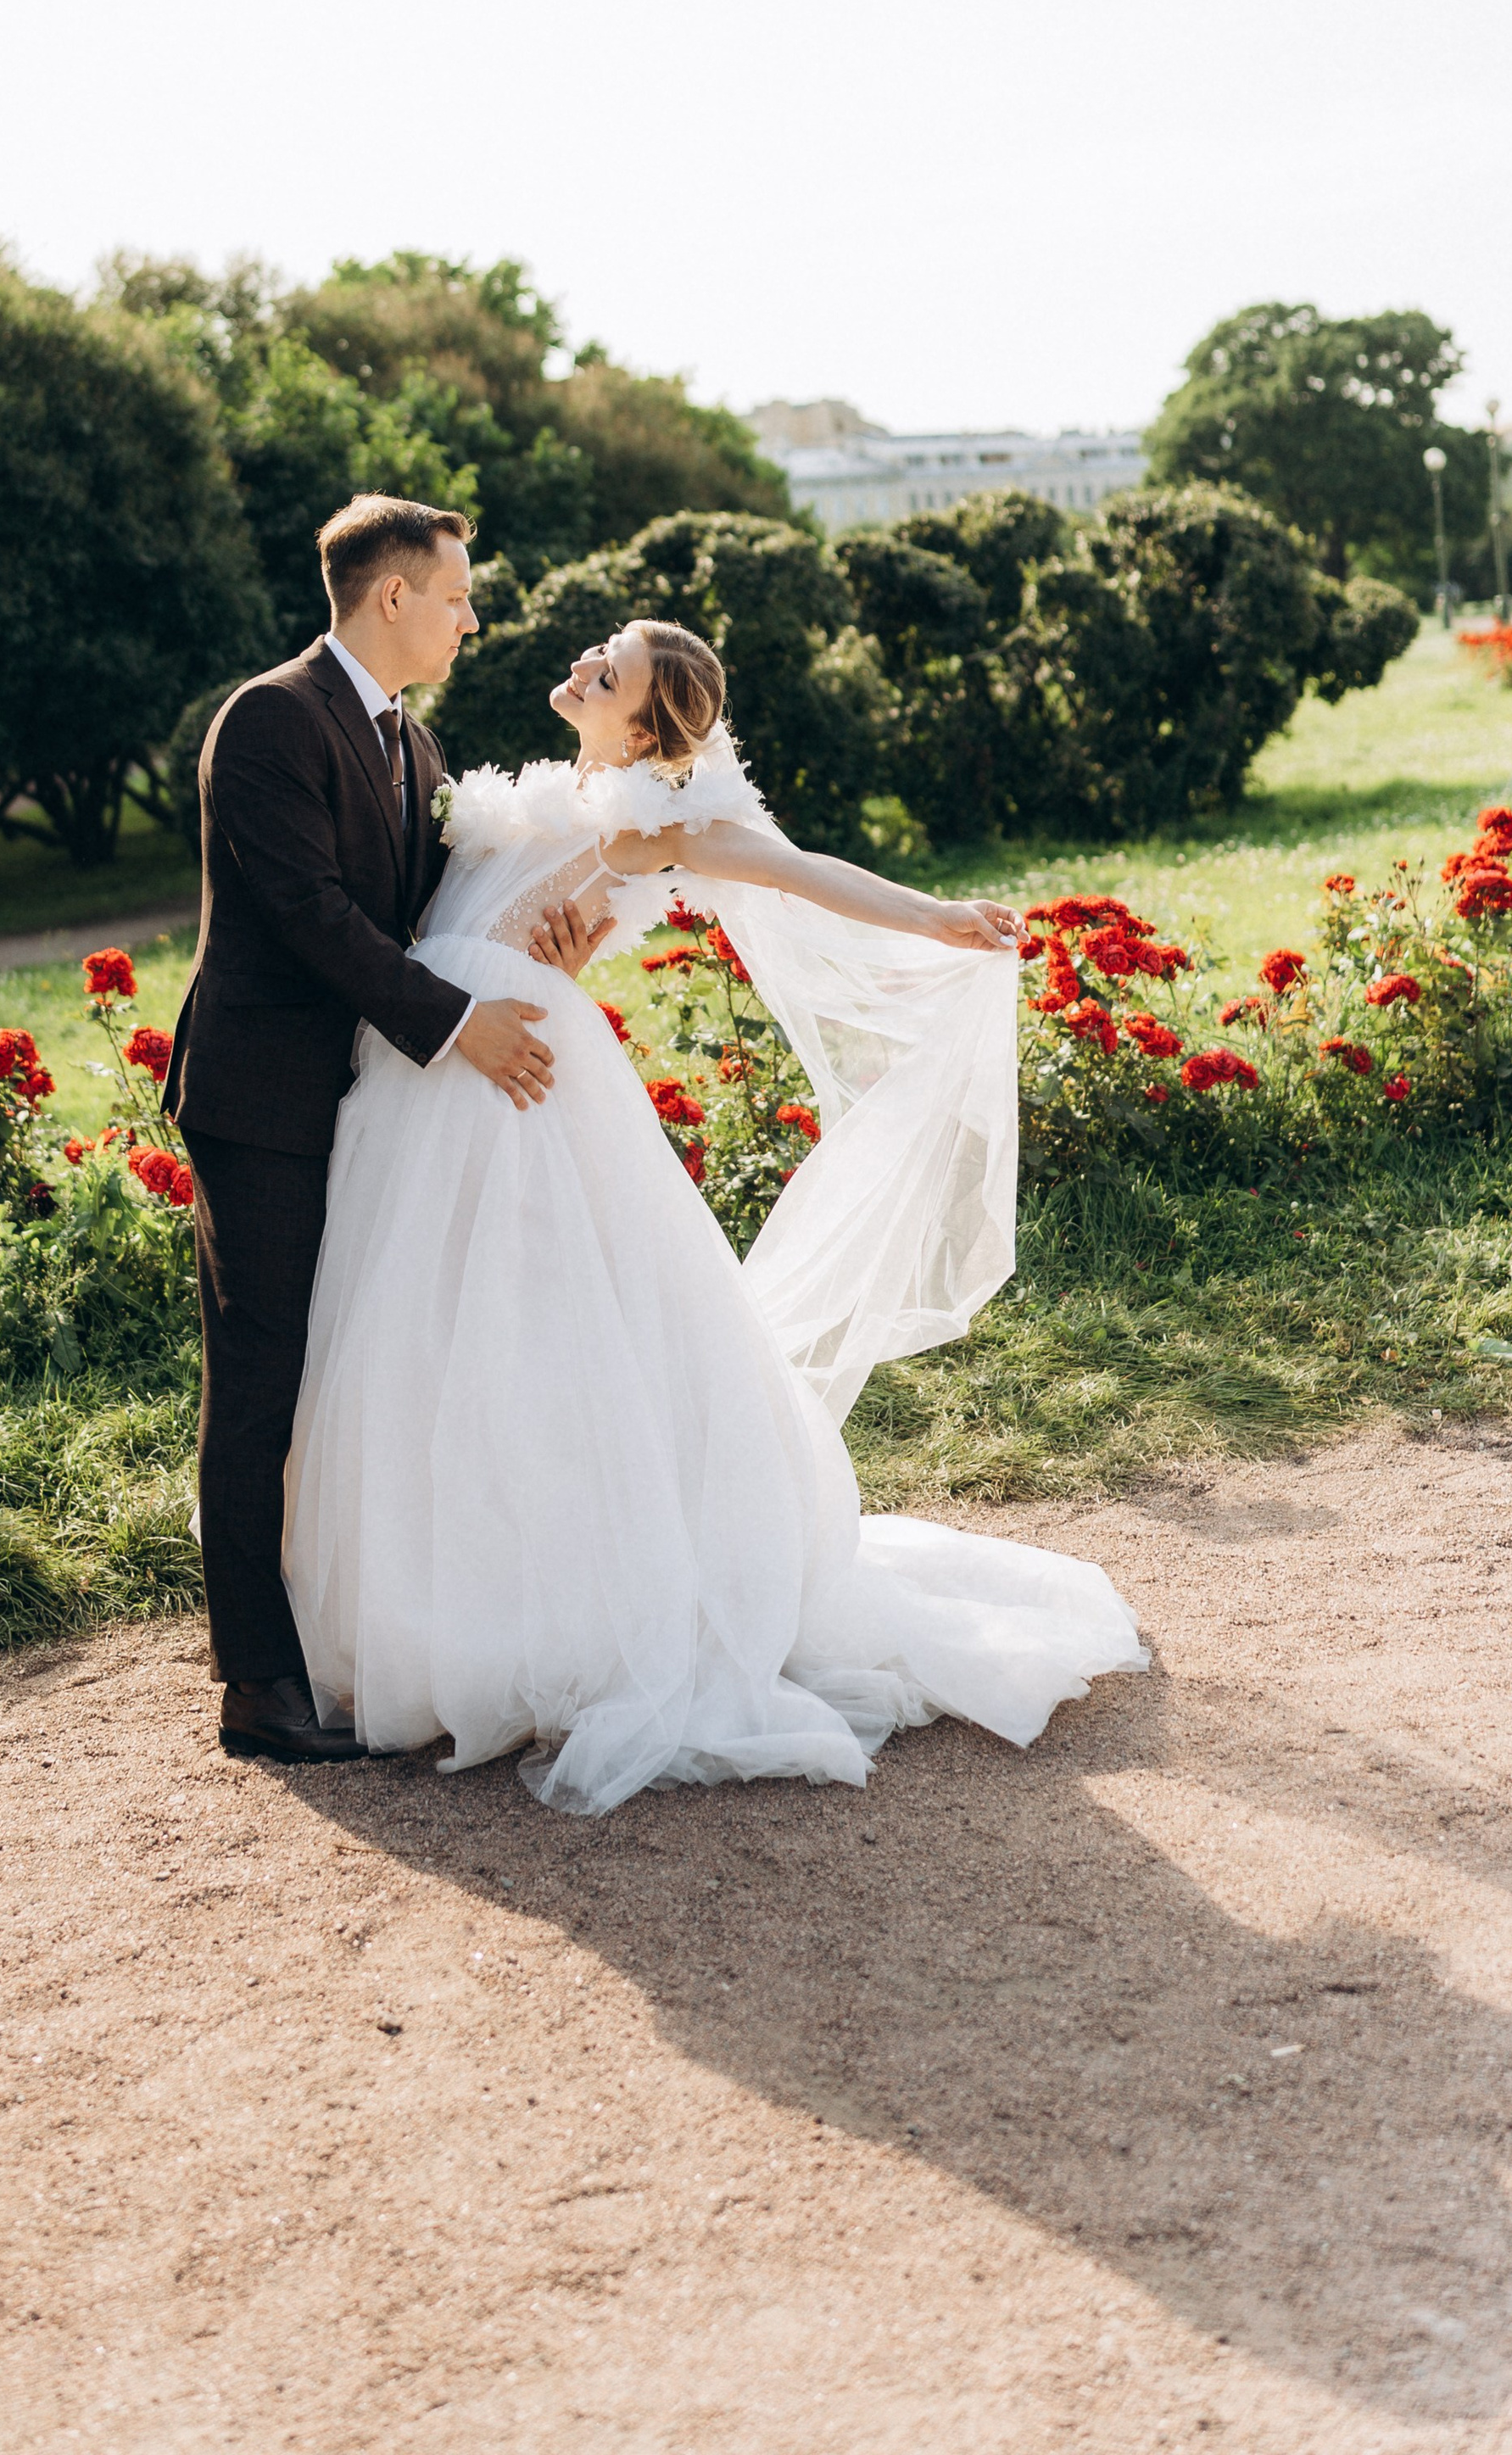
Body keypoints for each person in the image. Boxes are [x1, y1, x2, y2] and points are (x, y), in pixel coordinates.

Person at [282, 616, 1147, 1814]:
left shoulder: (656, 821)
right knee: (432, 1341)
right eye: (601, 646)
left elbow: (800, 873)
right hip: (427, 1082)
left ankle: (558, 1619)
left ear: (645, 722)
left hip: (518, 1091)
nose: (589, 659)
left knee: (538, 1343)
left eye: (615, 667)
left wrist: (939, 916)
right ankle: (440, 1607)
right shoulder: (531, 792)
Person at [166, 492, 573, 1767]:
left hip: (364, 1102)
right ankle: (257, 1687)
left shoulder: (416, 744)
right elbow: (310, 913)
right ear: (391, 595)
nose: (471, 616)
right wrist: (463, 1026)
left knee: (343, 1369)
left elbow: (430, 907)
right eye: (456, 594)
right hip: (264, 1099)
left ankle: (336, 1633)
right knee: (262, 1383)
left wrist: (536, 932)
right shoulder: (269, 719)